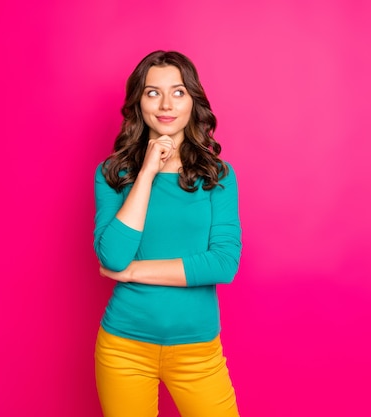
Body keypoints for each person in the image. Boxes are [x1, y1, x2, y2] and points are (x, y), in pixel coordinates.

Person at [93, 50, 242, 417]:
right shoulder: (112, 174)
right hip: (123, 348)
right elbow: (112, 255)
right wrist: (145, 173)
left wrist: (131, 273)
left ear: (193, 100)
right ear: (138, 102)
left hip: (197, 351)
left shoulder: (217, 176)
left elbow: (223, 263)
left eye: (177, 92)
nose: (165, 104)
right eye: (152, 92)